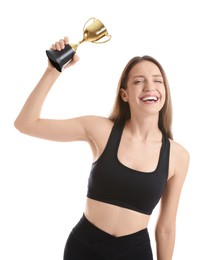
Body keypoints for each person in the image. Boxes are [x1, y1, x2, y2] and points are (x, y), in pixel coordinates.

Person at [14, 36, 190, 260]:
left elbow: (166, 228)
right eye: (138, 81)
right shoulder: (99, 129)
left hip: (135, 254)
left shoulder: (178, 156)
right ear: (124, 94)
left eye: (157, 80)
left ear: (164, 91)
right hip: (84, 249)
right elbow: (26, 124)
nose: (149, 87)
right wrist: (53, 70)